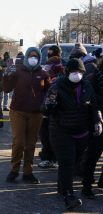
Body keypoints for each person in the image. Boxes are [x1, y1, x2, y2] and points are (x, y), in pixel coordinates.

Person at [41, 59, 101, 210]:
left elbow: (94, 107)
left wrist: (98, 121)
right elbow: (45, 110)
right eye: (74, 72)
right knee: (66, 163)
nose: (77, 75)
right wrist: (49, 104)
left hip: (82, 133)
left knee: (74, 163)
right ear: (67, 72)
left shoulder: (87, 86)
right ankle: (68, 195)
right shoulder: (57, 87)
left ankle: (61, 187)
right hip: (61, 131)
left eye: (80, 72)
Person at [2, 47, 51, 184]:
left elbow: (50, 92)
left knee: (30, 144)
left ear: (39, 58)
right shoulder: (18, 72)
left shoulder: (43, 74)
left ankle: (28, 172)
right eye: (31, 56)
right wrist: (5, 75)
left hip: (36, 113)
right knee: (19, 142)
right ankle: (14, 170)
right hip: (18, 111)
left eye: (36, 56)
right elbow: (6, 89)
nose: (33, 58)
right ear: (26, 58)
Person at [81, 57, 103, 199]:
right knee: (93, 155)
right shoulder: (96, 76)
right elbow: (89, 99)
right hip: (98, 121)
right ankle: (87, 186)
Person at [38, 56, 64, 168]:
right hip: (44, 112)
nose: (47, 69)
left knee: (56, 138)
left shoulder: (61, 79)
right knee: (45, 137)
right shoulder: (45, 78)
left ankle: (58, 158)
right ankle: (47, 158)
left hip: (55, 114)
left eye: (49, 67)